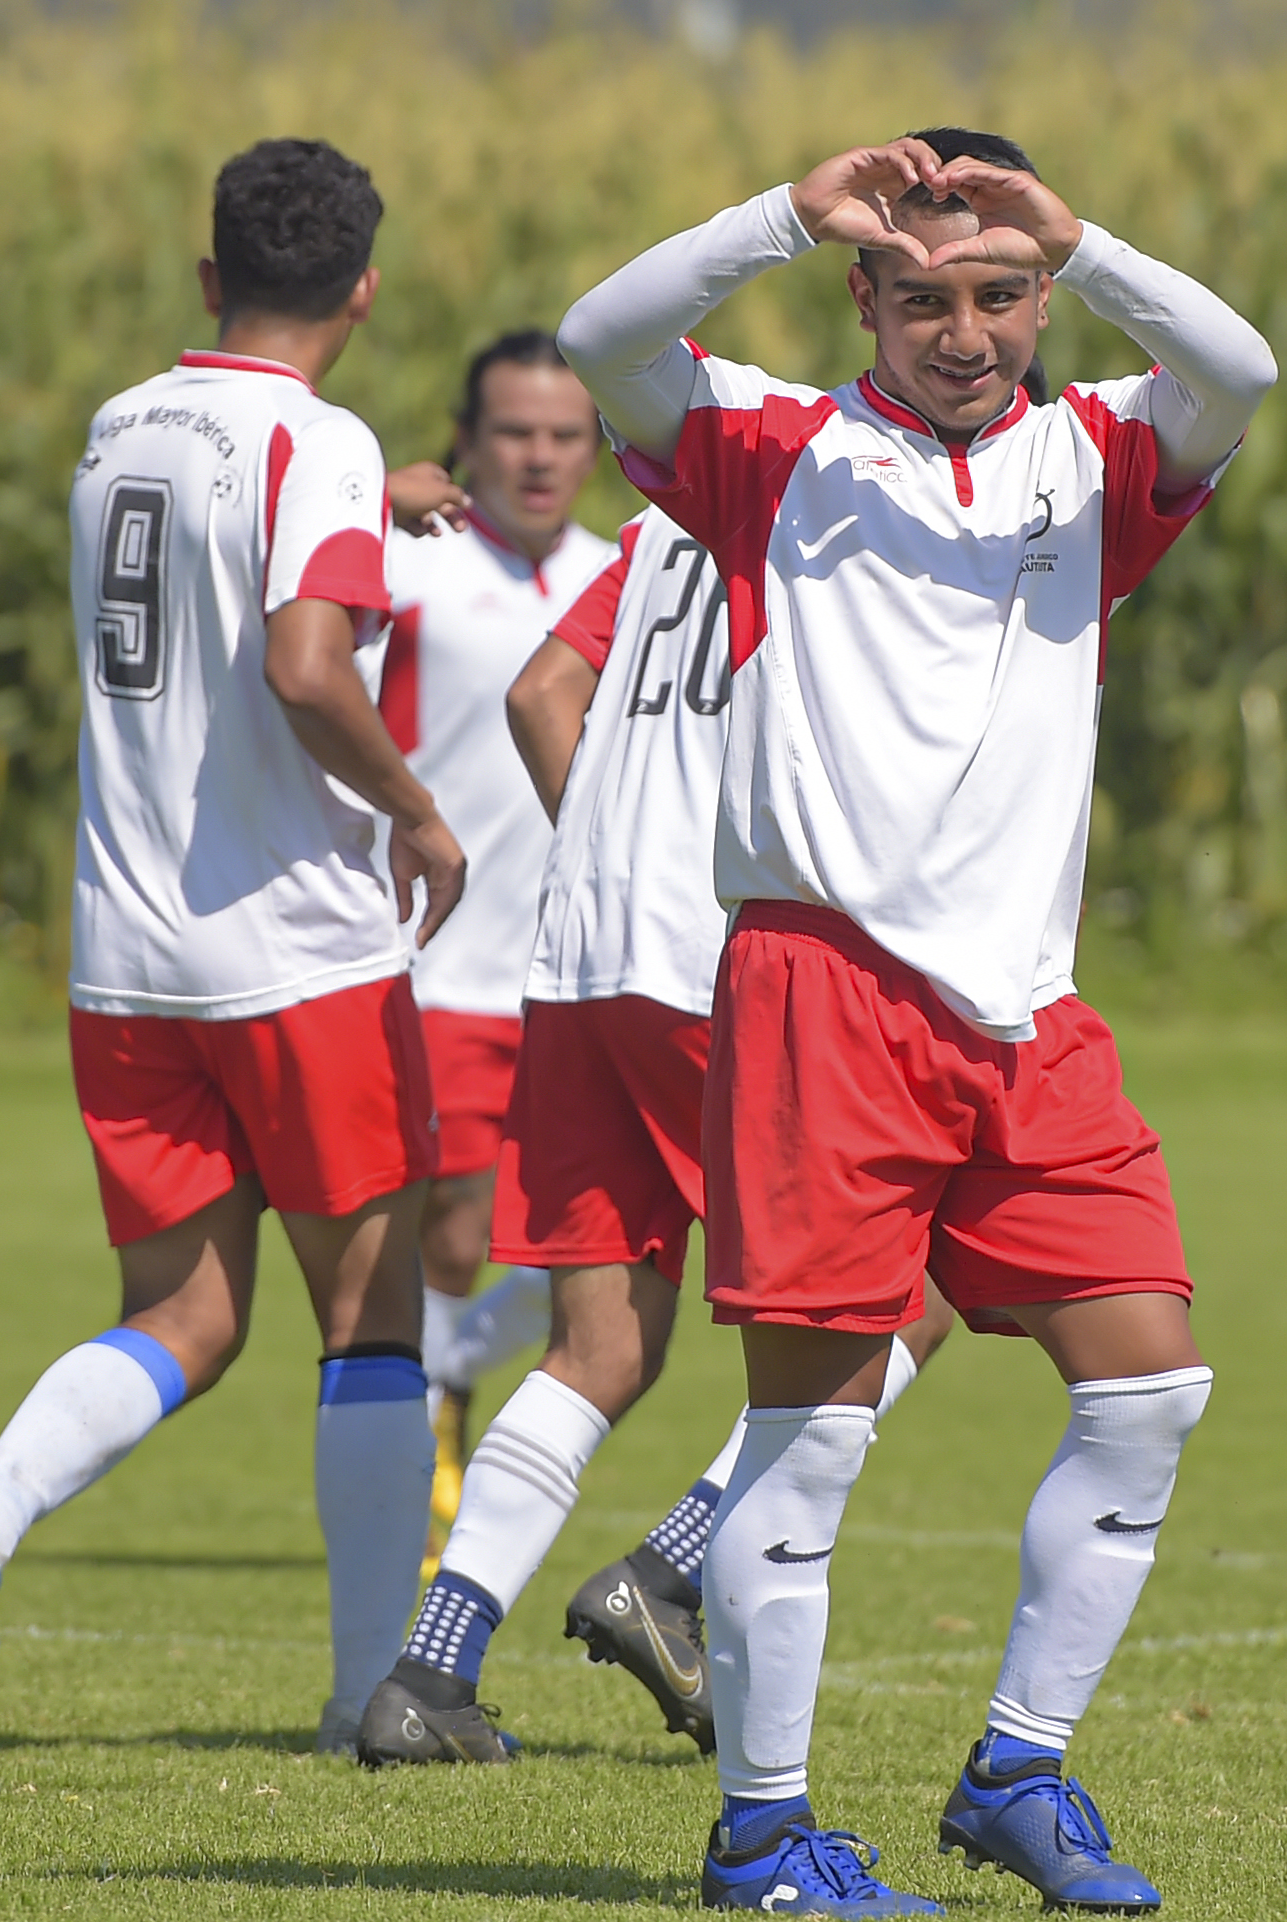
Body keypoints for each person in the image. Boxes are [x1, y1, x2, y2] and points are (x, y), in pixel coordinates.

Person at [558, 129, 1274, 1916]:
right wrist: (782, 217)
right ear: (864, 300)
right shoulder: (769, 451)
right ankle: (762, 1837)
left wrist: (1088, 239)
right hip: (823, 997)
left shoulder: (1097, 451)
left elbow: (1243, 369)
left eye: (1000, 294)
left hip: (1031, 1015)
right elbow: (600, 335)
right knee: (813, 1437)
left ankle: (1019, 1774)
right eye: (924, 295)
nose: (967, 330)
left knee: (1152, 1388)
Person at [0, 137, 465, 1760]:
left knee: (187, 1319)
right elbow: (299, 659)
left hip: (128, 959)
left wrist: (379, 498)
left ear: (209, 279)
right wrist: (416, 809)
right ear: (362, 285)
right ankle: (366, 1703)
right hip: (298, 951)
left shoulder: (122, 425)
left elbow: (227, 550)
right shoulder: (318, 443)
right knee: (374, 1316)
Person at [354, 499, 961, 1767]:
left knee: (599, 1347)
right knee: (919, 1279)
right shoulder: (857, 508)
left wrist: (620, 848)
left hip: (582, 957)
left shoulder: (669, 511)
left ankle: (428, 1674)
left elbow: (540, 693)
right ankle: (672, 1571)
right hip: (713, 963)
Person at [366, 334, 616, 1557]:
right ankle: (421, 1447)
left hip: (587, 960)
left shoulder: (621, 571)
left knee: (602, 1230)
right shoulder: (409, 570)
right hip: (445, 955)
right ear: (467, 438)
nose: (541, 456)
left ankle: (444, 1372)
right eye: (516, 431)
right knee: (456, 1221)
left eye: (567, 434)